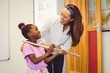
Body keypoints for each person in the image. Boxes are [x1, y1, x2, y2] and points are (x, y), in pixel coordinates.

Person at [40, 4, 84, 73]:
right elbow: (40, 35)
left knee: (58, 71)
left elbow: (66, 46)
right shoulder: (52, 20)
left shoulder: (74, 29)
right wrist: (44, 44)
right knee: (47, 71)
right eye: (61, 14)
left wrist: (61, 49)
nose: (61, 17)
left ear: (72, 19)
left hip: (59, 52)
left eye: (65, 17)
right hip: (45, 50)